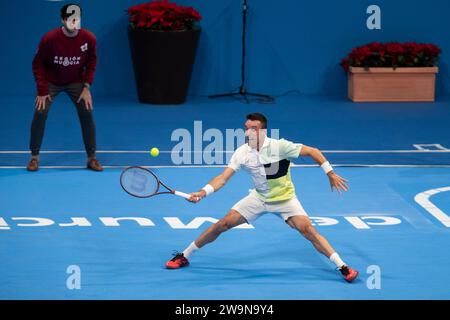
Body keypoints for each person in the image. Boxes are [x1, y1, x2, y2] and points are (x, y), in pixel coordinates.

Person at [166, 113, 359, 283]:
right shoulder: (242, 152)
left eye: (253, 128)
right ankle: (184, 255)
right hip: (259, 198)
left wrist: (330, 173)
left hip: (285, 200)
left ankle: (343, 266)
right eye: (246, 128)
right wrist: (203, 191)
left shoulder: (280, 146)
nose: (248, 132)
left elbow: (312, 151)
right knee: (222, 224)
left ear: (263, 131)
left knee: (308, 230)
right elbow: (223, 177)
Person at [27, 3, 102, 172]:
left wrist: (86, 87)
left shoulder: (89, 39)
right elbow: (37, 64)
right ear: (63, 20)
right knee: (40, 111)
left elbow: (92, 63)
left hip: (75, 81)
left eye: (77, 19)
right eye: (70, 19)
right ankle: (34, 157)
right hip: (51, 81)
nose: (74, 22)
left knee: (87, 111)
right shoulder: (50, 39)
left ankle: (92, 158)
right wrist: (42, 90)